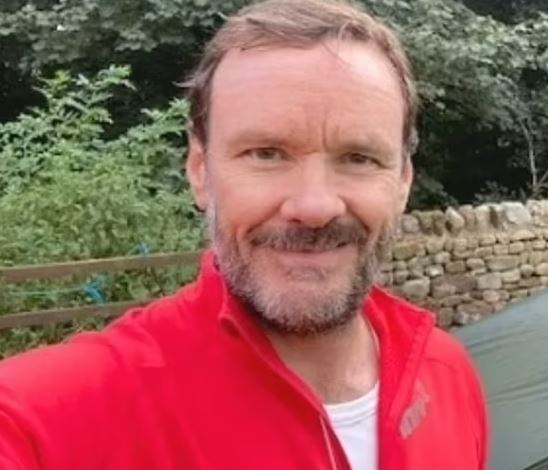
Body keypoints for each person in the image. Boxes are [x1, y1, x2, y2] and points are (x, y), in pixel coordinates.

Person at [0, 0, 488, 469]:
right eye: (266, 153)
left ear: (402, 181)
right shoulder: (54, 418)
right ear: (199, 170)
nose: (314, 207)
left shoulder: (446, 376)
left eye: (358, 159)